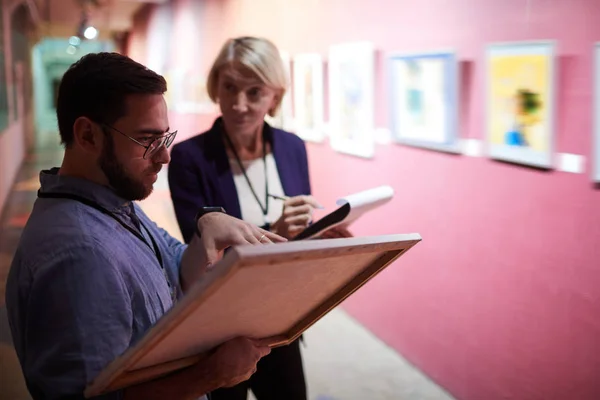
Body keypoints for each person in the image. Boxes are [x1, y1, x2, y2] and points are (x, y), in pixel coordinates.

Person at [4, 52, 287, 400]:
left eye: (164, 138)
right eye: (147, 140)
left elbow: (176, 269)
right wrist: (211, 374)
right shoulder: (80, 254)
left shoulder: (113, 202)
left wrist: (210, 223)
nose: (165, 156)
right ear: (88, 136)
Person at [168, 36, 350, 400]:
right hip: (219, 326)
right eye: (229, 87)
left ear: (275, 98)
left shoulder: (292, 146)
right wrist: (275, 233)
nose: (239, 104)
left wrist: (317, 237)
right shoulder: (189, 158)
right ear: (215, 86)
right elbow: (202, 258)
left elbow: (296, 239)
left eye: (254, 92)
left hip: (281, 315)